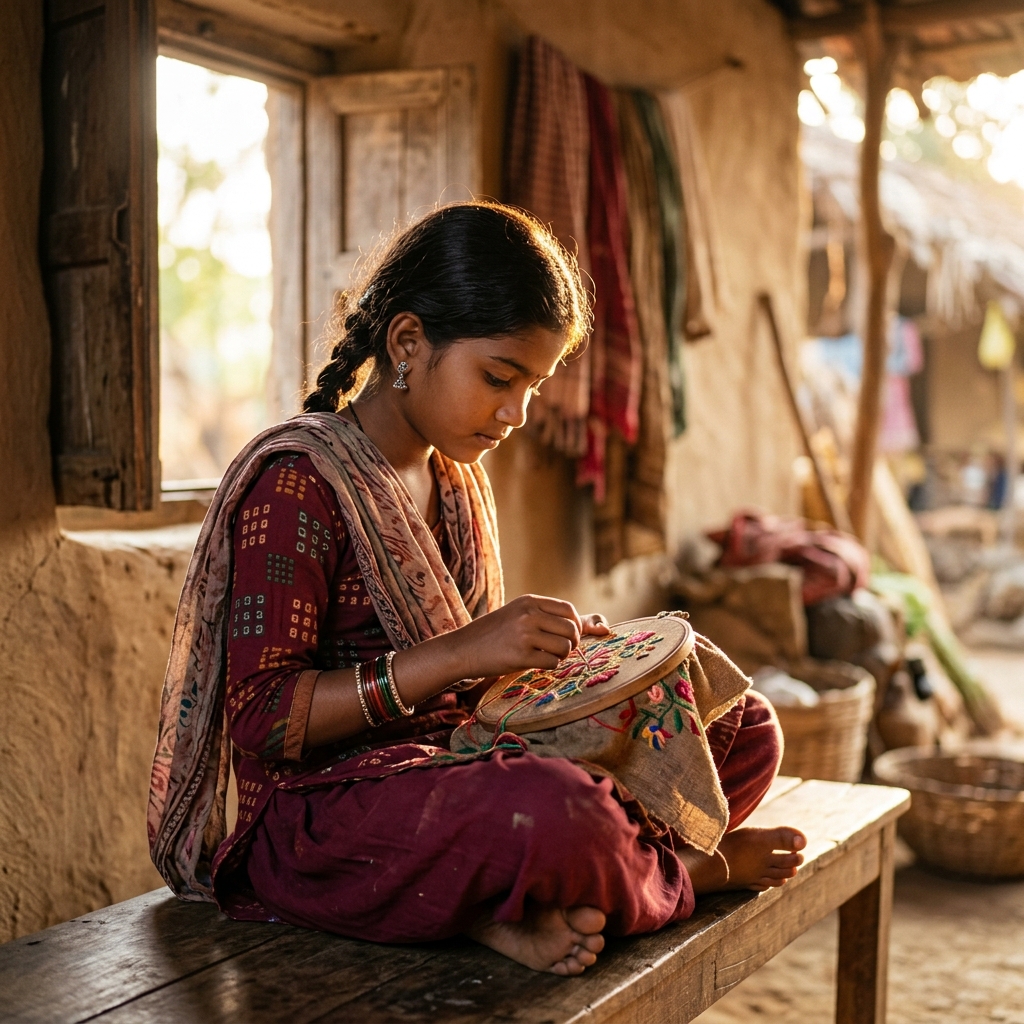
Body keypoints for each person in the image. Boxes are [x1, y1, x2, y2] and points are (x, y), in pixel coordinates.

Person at [149, 201, 805, 977]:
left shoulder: (454, 479)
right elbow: (261, 719)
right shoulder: (298, 483)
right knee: (564, 814)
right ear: (407, 343)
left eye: (534, 386)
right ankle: (686, 873)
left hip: (452, 766)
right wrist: (462, 653)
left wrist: (564, 664)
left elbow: (476, 705)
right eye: (500, 377)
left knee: (739, 718)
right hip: (323, 819)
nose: (516, 413)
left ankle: (506, 903)